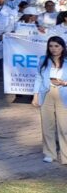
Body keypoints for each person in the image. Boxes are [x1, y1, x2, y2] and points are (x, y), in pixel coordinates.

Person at [32, 35, 67, 164]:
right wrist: (35, 95)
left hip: (63, 94)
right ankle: (49, 153)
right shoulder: (43, 60)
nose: (53, 49)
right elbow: (38, 77)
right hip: (46, 94)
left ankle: (65, 156)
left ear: (63, 47)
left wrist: (64, 83)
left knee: (64, 126)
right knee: (47, 125)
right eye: (51, 46)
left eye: (57, 46)